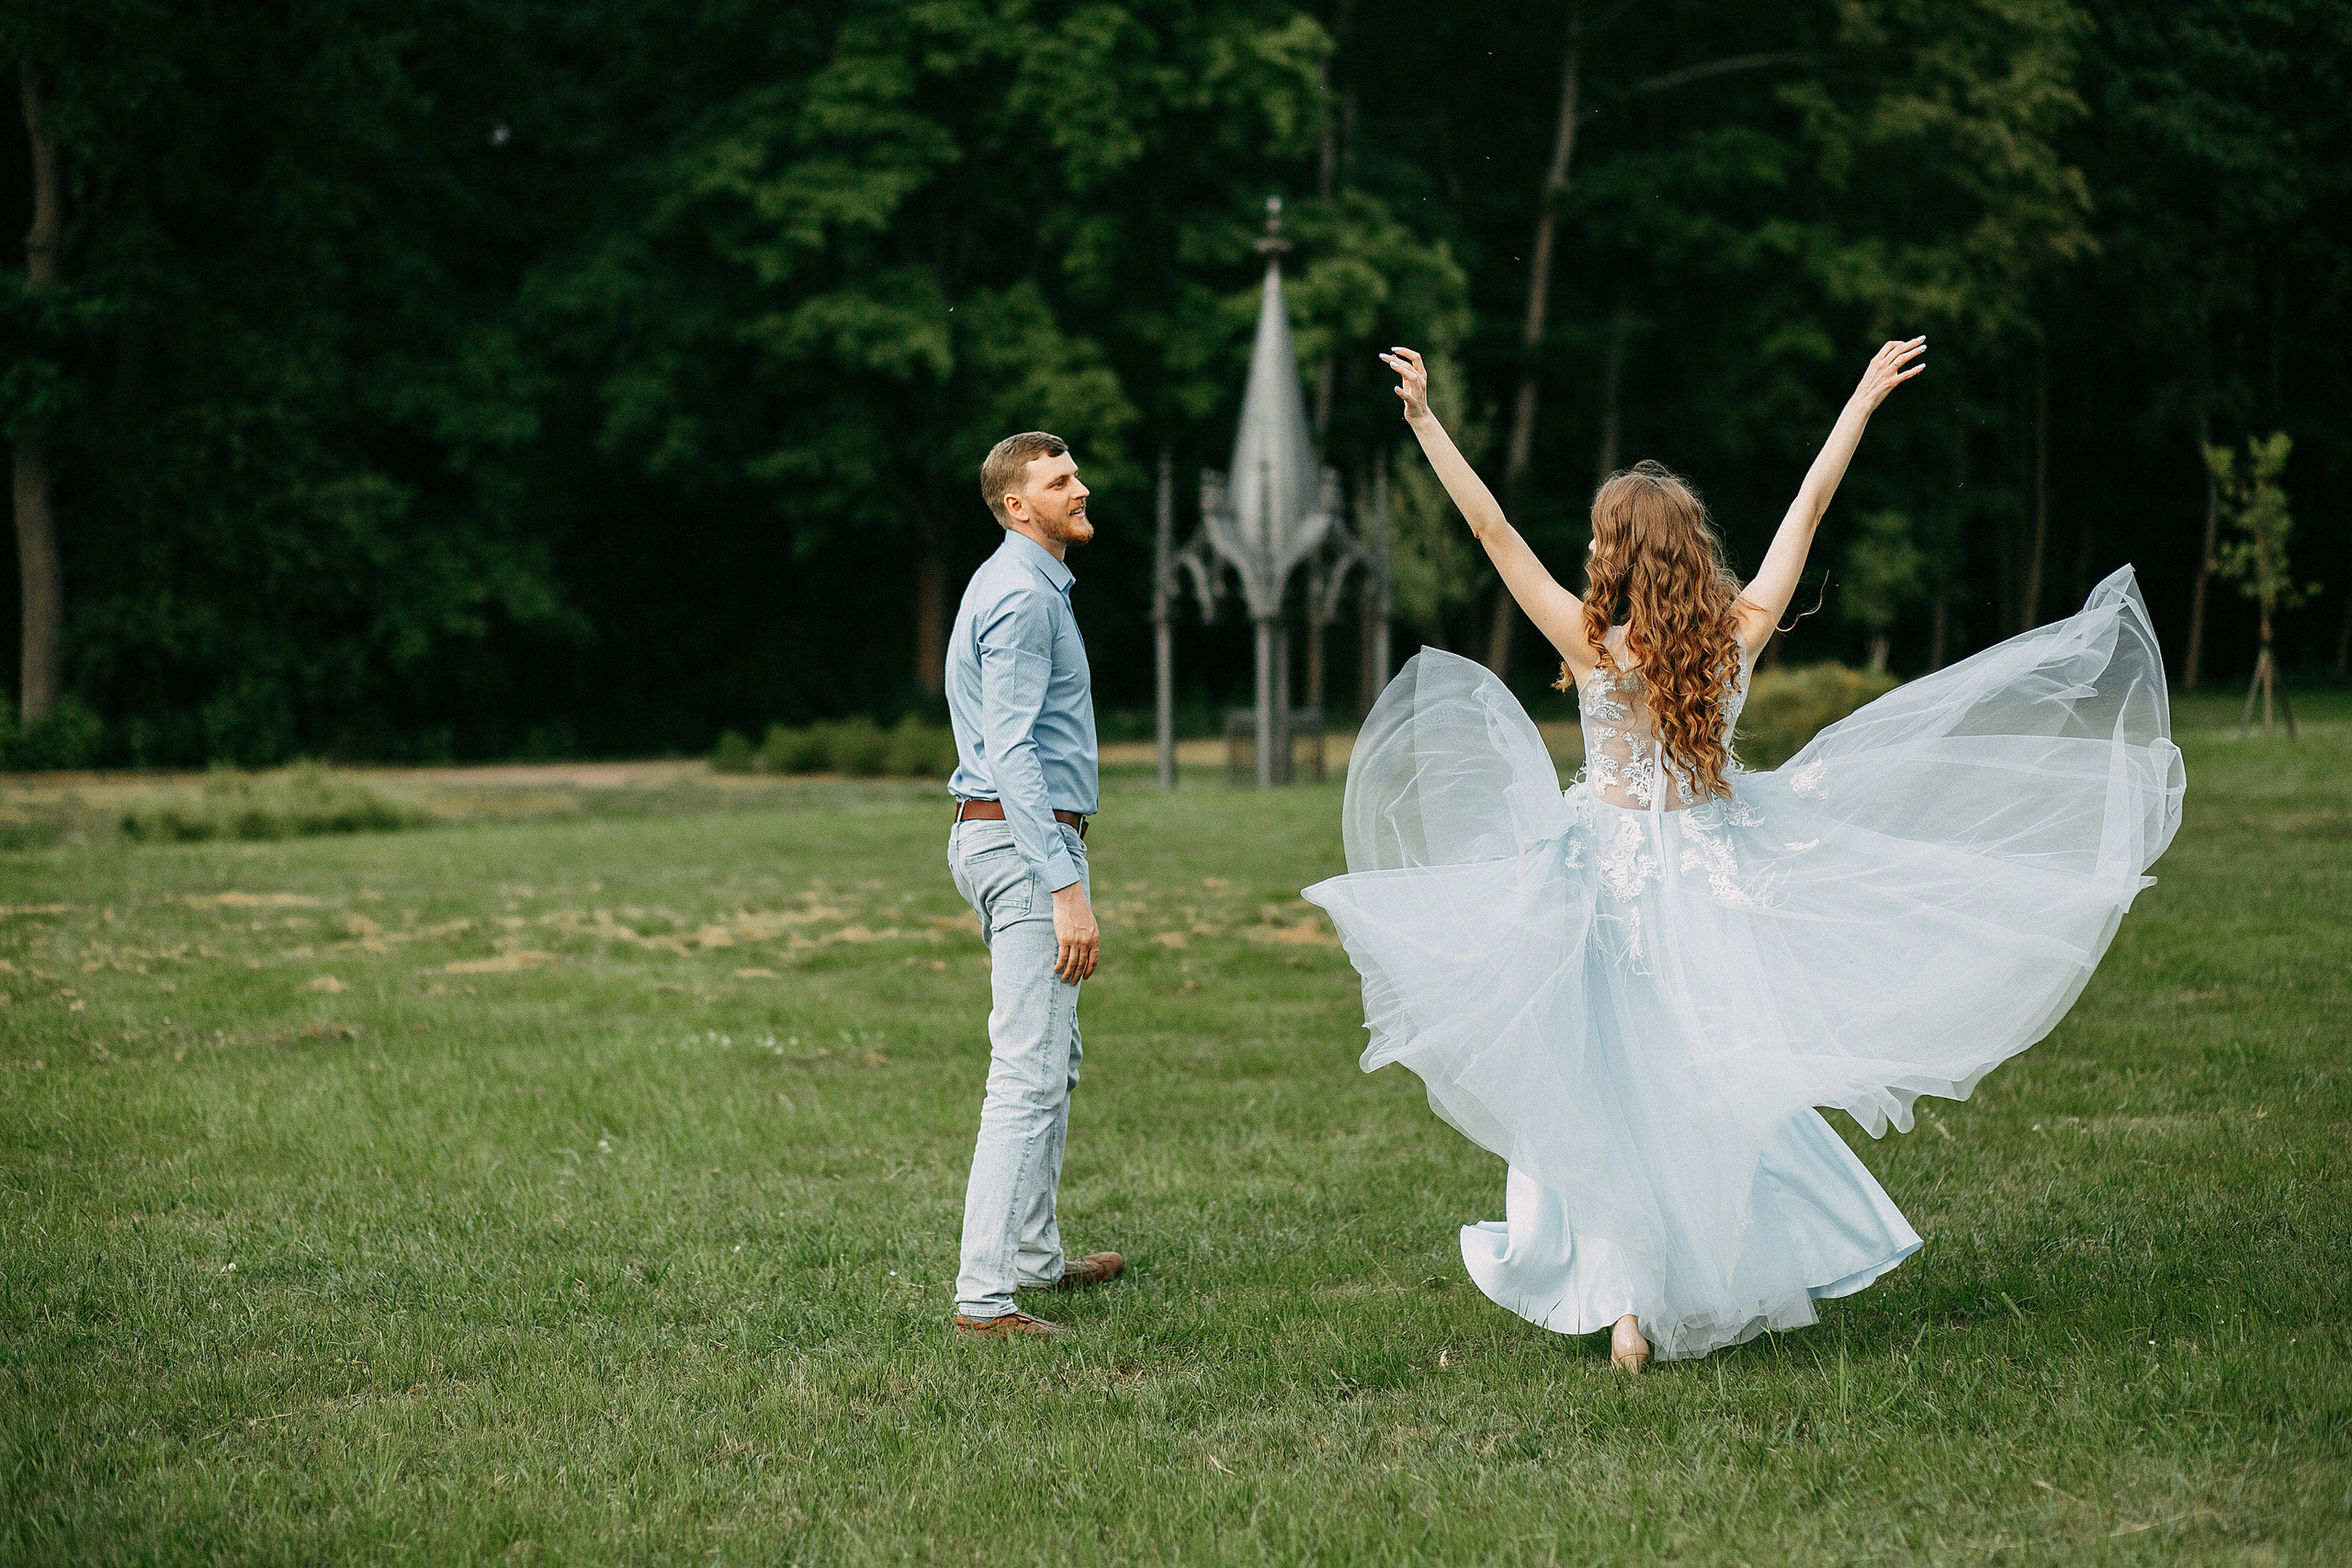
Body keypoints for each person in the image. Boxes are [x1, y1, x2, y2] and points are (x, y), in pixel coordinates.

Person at [1306, 344, 2184, 1369]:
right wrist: (1855, 402)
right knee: (1701, 1084)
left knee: (1602, 1084)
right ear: (1689, 548)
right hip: (1709, 878)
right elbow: (1806, 510)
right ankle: (1669, 1286)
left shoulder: (1594, 646)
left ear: (1614, 553)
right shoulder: (1738, 630)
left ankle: (1625, 1302)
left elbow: (1489, 528)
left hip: (1603, 878)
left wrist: (1424, 422)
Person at [942, 431, 1125, 1339]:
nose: (1080, 489)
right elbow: (1010, 749)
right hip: (1024, 849)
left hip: (1018, 842)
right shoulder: (1020, 598)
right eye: (1061, 482)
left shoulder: (1022, 583)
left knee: (1055, 1060)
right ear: (1019, 505)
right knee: (1024, 1072)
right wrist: (1063, 886)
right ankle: (985, 1298)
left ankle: (1033, 1257)